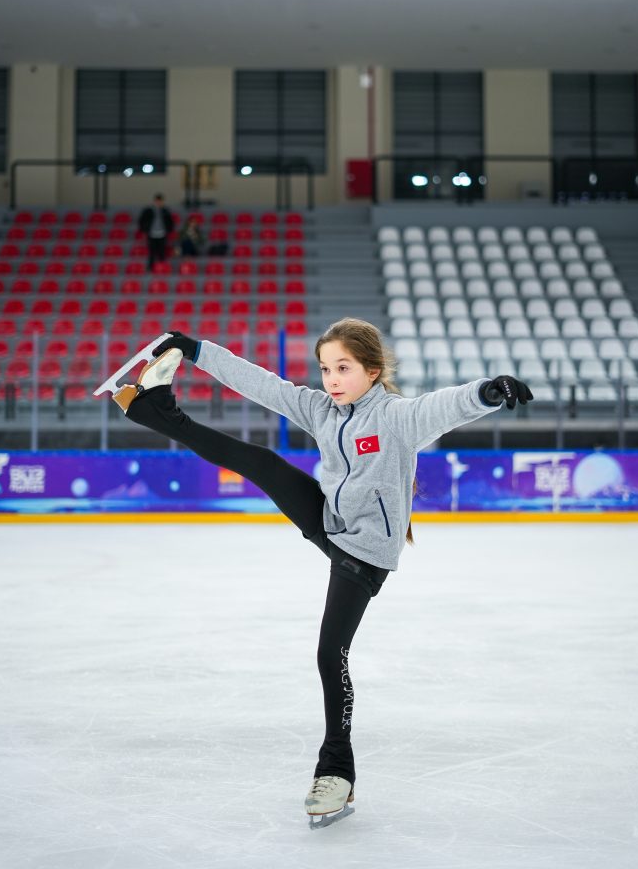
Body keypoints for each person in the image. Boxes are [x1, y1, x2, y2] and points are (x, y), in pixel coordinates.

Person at [103, 318, 533, 828]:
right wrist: (195, 350)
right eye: (326, 368)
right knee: (259, 460)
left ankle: (337, 770)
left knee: (330, 653)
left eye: (344, 368)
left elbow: (442, 406)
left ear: (373, 371)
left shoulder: (395, 418)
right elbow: (260, 382)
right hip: (328, 519)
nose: (331, 378)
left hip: (366, 554)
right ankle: (157, 408)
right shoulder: (322, 410)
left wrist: (488, 390)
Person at [138, 193, 175, 270]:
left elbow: (170, 222)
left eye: (160, 201)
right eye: (157, 201)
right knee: (151, 252)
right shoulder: (148, 210)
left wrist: (169, 230)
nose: (159, 203)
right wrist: (144, 229)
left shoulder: (165, 211)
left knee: (162, 252)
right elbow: (142, 220)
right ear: (155, 201)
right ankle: (150, 268)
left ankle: (162, 268)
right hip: (151, 234)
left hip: (162, 234)